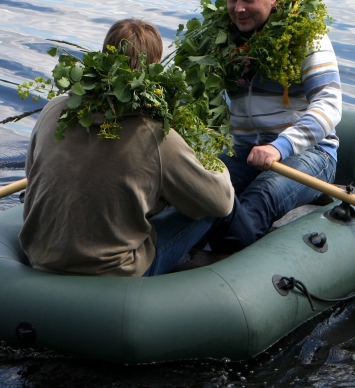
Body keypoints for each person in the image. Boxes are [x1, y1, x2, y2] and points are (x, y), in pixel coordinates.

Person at [20, 19, 234, 277]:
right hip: (115, 271)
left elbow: (32, 174)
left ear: (104, 56)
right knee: (208, 207)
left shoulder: (53, 110)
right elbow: (220, 204)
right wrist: (216, 166)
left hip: (40, 257)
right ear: (154, 69)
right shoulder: (156, 134)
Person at [207, 0, 342, 252]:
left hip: (310, 153)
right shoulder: (221, 41)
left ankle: (226, 263)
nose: (238, 8)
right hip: (244, 151)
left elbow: (329, 103)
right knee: (203, 186)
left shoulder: (305, 36)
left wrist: (279, 147)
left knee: (263, 195)